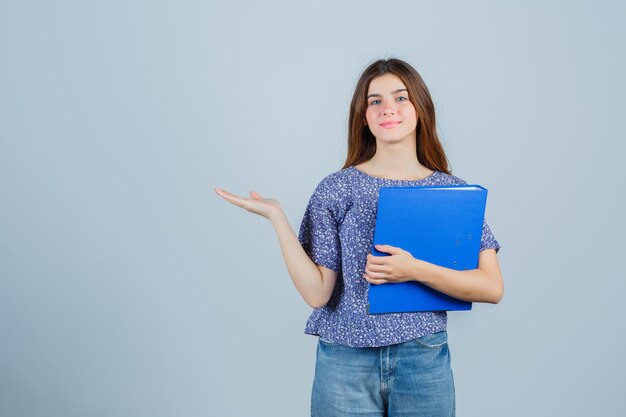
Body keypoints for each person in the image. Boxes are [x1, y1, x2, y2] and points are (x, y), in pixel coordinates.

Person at [214, 57, 503, 417]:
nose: (388, 109)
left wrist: (413, 270)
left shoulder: (453, 193)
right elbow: (318, 293)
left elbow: (491, 287)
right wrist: (276, 218)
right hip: (344, 362)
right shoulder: (337, 188)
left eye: (401, 97)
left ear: (421, 108)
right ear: (363, 116)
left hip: (423, 358)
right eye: (375, 101)